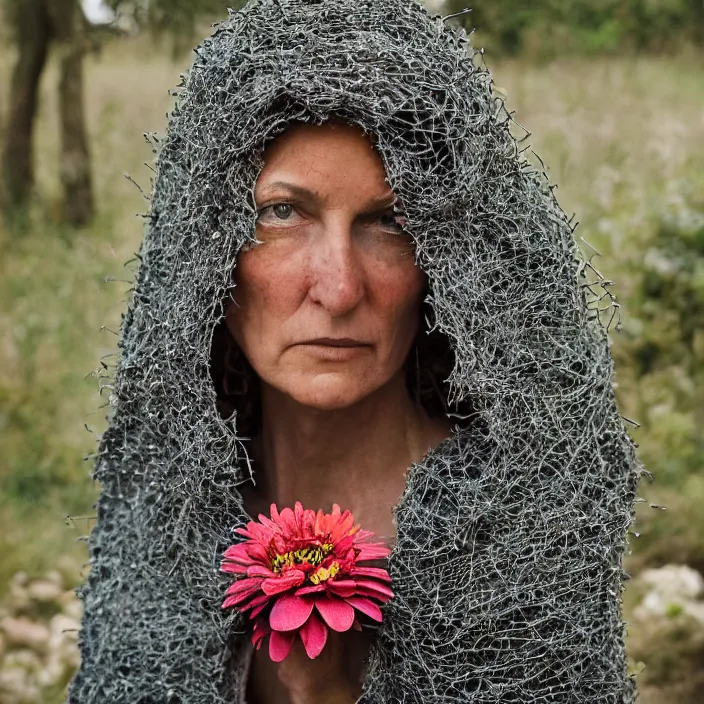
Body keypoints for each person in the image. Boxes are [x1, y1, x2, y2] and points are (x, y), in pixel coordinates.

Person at [69, 1, 642, 703]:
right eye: (282, 213)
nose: (338, 289)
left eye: (388, 222)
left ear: (448, 260)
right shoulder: (165, 515)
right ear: (204, 247)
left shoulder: (514, 537)